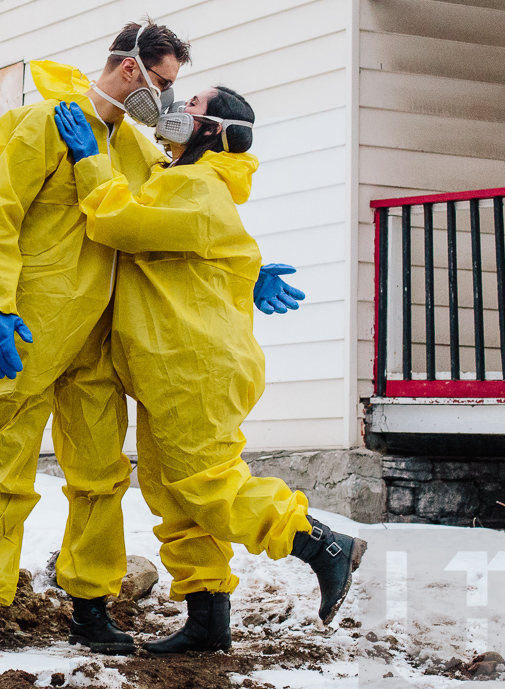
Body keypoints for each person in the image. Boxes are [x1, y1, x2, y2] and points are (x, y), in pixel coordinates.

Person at [52, 85, 365, 654]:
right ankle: (207, 619)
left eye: (190, 105)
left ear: (215, 130)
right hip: (167, 363)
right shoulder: (184, 182)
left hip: (193, 366)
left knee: (204, 485)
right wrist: (252, 268)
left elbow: (119, 224)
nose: (173, 109)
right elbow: (194, 250)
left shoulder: (198, 186)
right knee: (173, 493)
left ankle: (321, 544)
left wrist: (90, 162)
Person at [0, 22, 189, 658]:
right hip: (28, 325)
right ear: (132, 69)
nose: (166, 99)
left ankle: (89, 606)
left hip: (96, 337)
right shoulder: (44, 124)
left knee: (99, 474)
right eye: (165, 83)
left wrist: (242, 263)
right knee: (3, 464)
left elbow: (168, 209)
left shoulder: (133, 148)